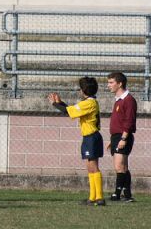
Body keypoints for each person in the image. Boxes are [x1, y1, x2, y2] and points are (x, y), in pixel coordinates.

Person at [48, 77, 105, 206]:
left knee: (93, 167)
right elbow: (72, 110)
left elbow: (70, 112)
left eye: (80, 88)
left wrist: (54, 104)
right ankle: (93, 197)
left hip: (91, 137)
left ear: (83, 90)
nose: (79, 90)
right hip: (89, 137)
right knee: (90, 167)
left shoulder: (89, 103)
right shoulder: (88, 102)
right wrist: (61, 103)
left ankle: (99, 197)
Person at [107, 72, 137, 202]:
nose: (108, 85)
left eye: (111, 82)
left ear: (120, 84)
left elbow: (128, 121)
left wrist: (123, 138)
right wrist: (112, 140)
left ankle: (117, 194)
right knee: (122, 166)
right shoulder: (118, 101)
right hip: (116, 136)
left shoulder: (128, 100)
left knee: (119, 166)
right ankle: (128, 195)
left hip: (123, 136)